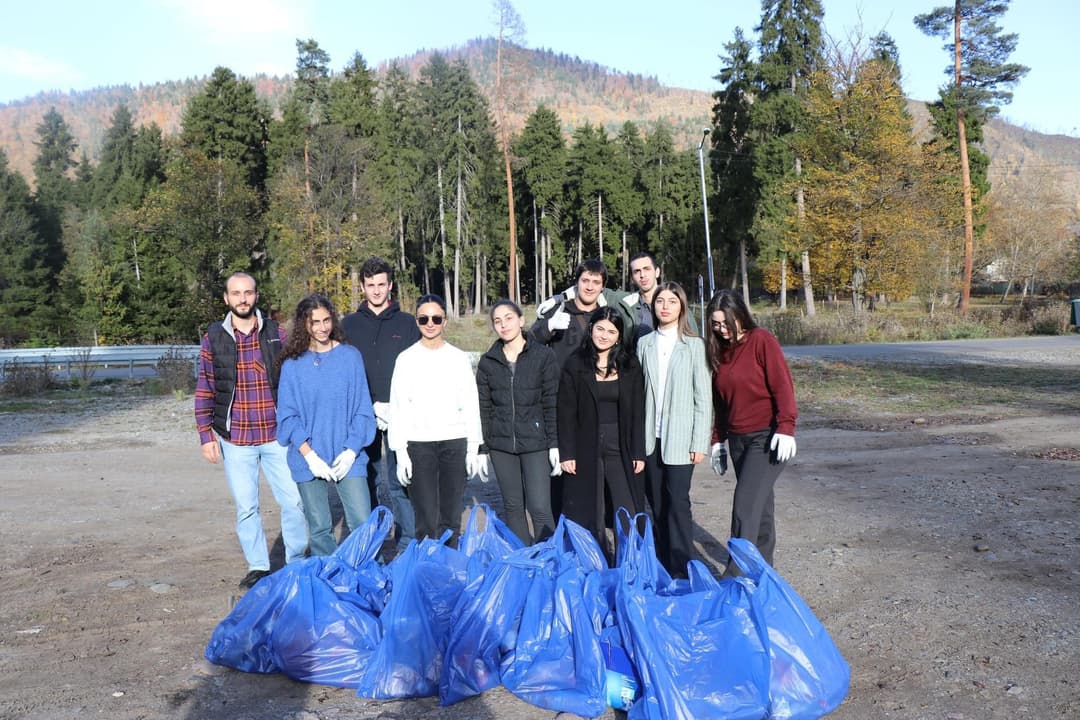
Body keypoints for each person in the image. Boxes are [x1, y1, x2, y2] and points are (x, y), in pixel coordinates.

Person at [194, 272, 309, 590]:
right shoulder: (214, 337)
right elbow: (205, 386)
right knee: (247, 507)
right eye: (236, 293)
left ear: (256, 296)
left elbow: (295, 378)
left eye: (248, 292)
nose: (242, 298)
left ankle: (295, 562)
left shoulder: (276, 332)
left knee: (295, 502)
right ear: (226, 298)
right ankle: (258, 566)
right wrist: (205, 434)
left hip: (276, 435)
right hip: (236, 439)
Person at [705, 289, 798, 576]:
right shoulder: (720, 351)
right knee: (761, 508)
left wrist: (786, 426)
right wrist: (718, 440)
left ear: (740, 315)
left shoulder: (761, 341)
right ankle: (763, 573)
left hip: (767, 439)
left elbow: (782, 386)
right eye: (716, 324)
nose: (722, 330)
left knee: (745, 505)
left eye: (726, 322)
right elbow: (721, 403)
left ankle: (735, 575)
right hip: (738, 441)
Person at [276, 294, 377, 557]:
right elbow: (287, 416)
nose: (322, 327)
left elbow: (362, 409)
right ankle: (328, 576)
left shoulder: (350, 357)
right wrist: (309, 456)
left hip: (347, 454)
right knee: (320, 528)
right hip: (308, 456)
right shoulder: (292, 365)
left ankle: (370, 575)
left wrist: (352, 449)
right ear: (304, 324)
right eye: (315, 322)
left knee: (362, 522)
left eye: (326, 320)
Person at [387, 294, 483, 545]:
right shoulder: (406, 359)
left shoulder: (458, 358)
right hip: (419, 445)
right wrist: (400, 452)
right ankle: (427, 563)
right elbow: (397, 407)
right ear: (417, 321)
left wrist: (473, 448)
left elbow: (470, 403)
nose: (430, 324)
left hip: (454, 442)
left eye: (436, 318)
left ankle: (449, 563)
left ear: (445, 321)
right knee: (426, 517)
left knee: (451, 517)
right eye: (424, 319)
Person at [341, 257, 420, 553]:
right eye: (371, 285)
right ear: (362, 287)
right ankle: (372, 543)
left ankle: (407, 541)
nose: (376, 290)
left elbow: (417, 366)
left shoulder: (407, 323)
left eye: (381, 284)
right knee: (369, 478)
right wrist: (365, 405)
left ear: (390, 285)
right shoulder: (348, 325)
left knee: (401, 479)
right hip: (362, 413)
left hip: (400, 413)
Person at [636, 281, 712, 577]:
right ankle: (663, 565)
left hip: (681, 439)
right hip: (649, 438)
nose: (665, 306)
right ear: (653, 306)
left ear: (681, 307)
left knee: (677, 502)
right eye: (660, 301)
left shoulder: (694, 346)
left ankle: (682, 568)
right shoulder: (644, 344)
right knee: (656, 504)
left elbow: (703, 398)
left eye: (672, 301)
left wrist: (699, 442)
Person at [557, 306, 646, 554]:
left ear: (619, 336)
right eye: (600, 329)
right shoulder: (575, 363)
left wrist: (638, 452)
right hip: (585, 445)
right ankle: (594, 561)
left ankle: (629, 561)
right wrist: (567, 453)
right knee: (590, 509)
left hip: (621, 445)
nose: (604, 335)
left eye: (611, 331)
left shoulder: (630, 365)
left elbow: (638, 411)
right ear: (591, 329)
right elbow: (565, 411)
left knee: (626, 507)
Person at [475, 300, 560, 545]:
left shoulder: (543, 356)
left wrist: (554, 443)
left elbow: (551, 401)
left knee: (539, 506)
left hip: (536, 442)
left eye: (509, 318)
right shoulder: (488, 362)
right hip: (501, 444)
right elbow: (484, 407)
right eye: (497, 321)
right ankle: (521, 557)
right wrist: (483, 447)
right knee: (513, 507)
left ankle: (547, 558)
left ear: (521, 320)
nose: (504, 325)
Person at [529, 259, 635, 367]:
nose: (590, 287)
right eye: (585, 280)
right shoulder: (557, 311)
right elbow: (528, 343)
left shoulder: (606, 317)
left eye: (596, 282)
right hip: (559, 377)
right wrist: (548, 327)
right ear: (577, 282)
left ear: (603, 287)